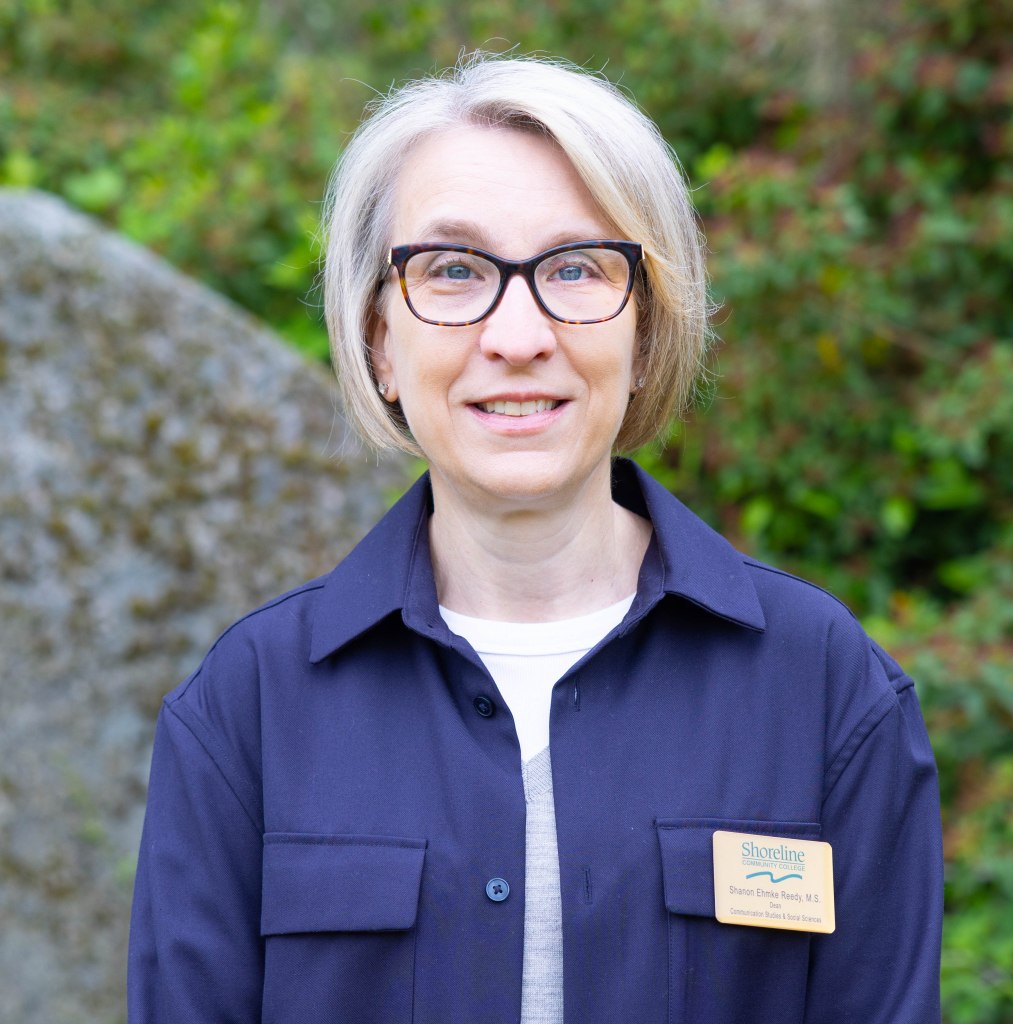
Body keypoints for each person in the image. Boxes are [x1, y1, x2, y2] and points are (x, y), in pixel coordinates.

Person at [128, 52, 943, 1023]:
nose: (517, 334)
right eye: (454, 269)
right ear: (381, 339)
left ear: (643, 330)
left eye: (573, 267)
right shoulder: (245, 711)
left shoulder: (824, 690)